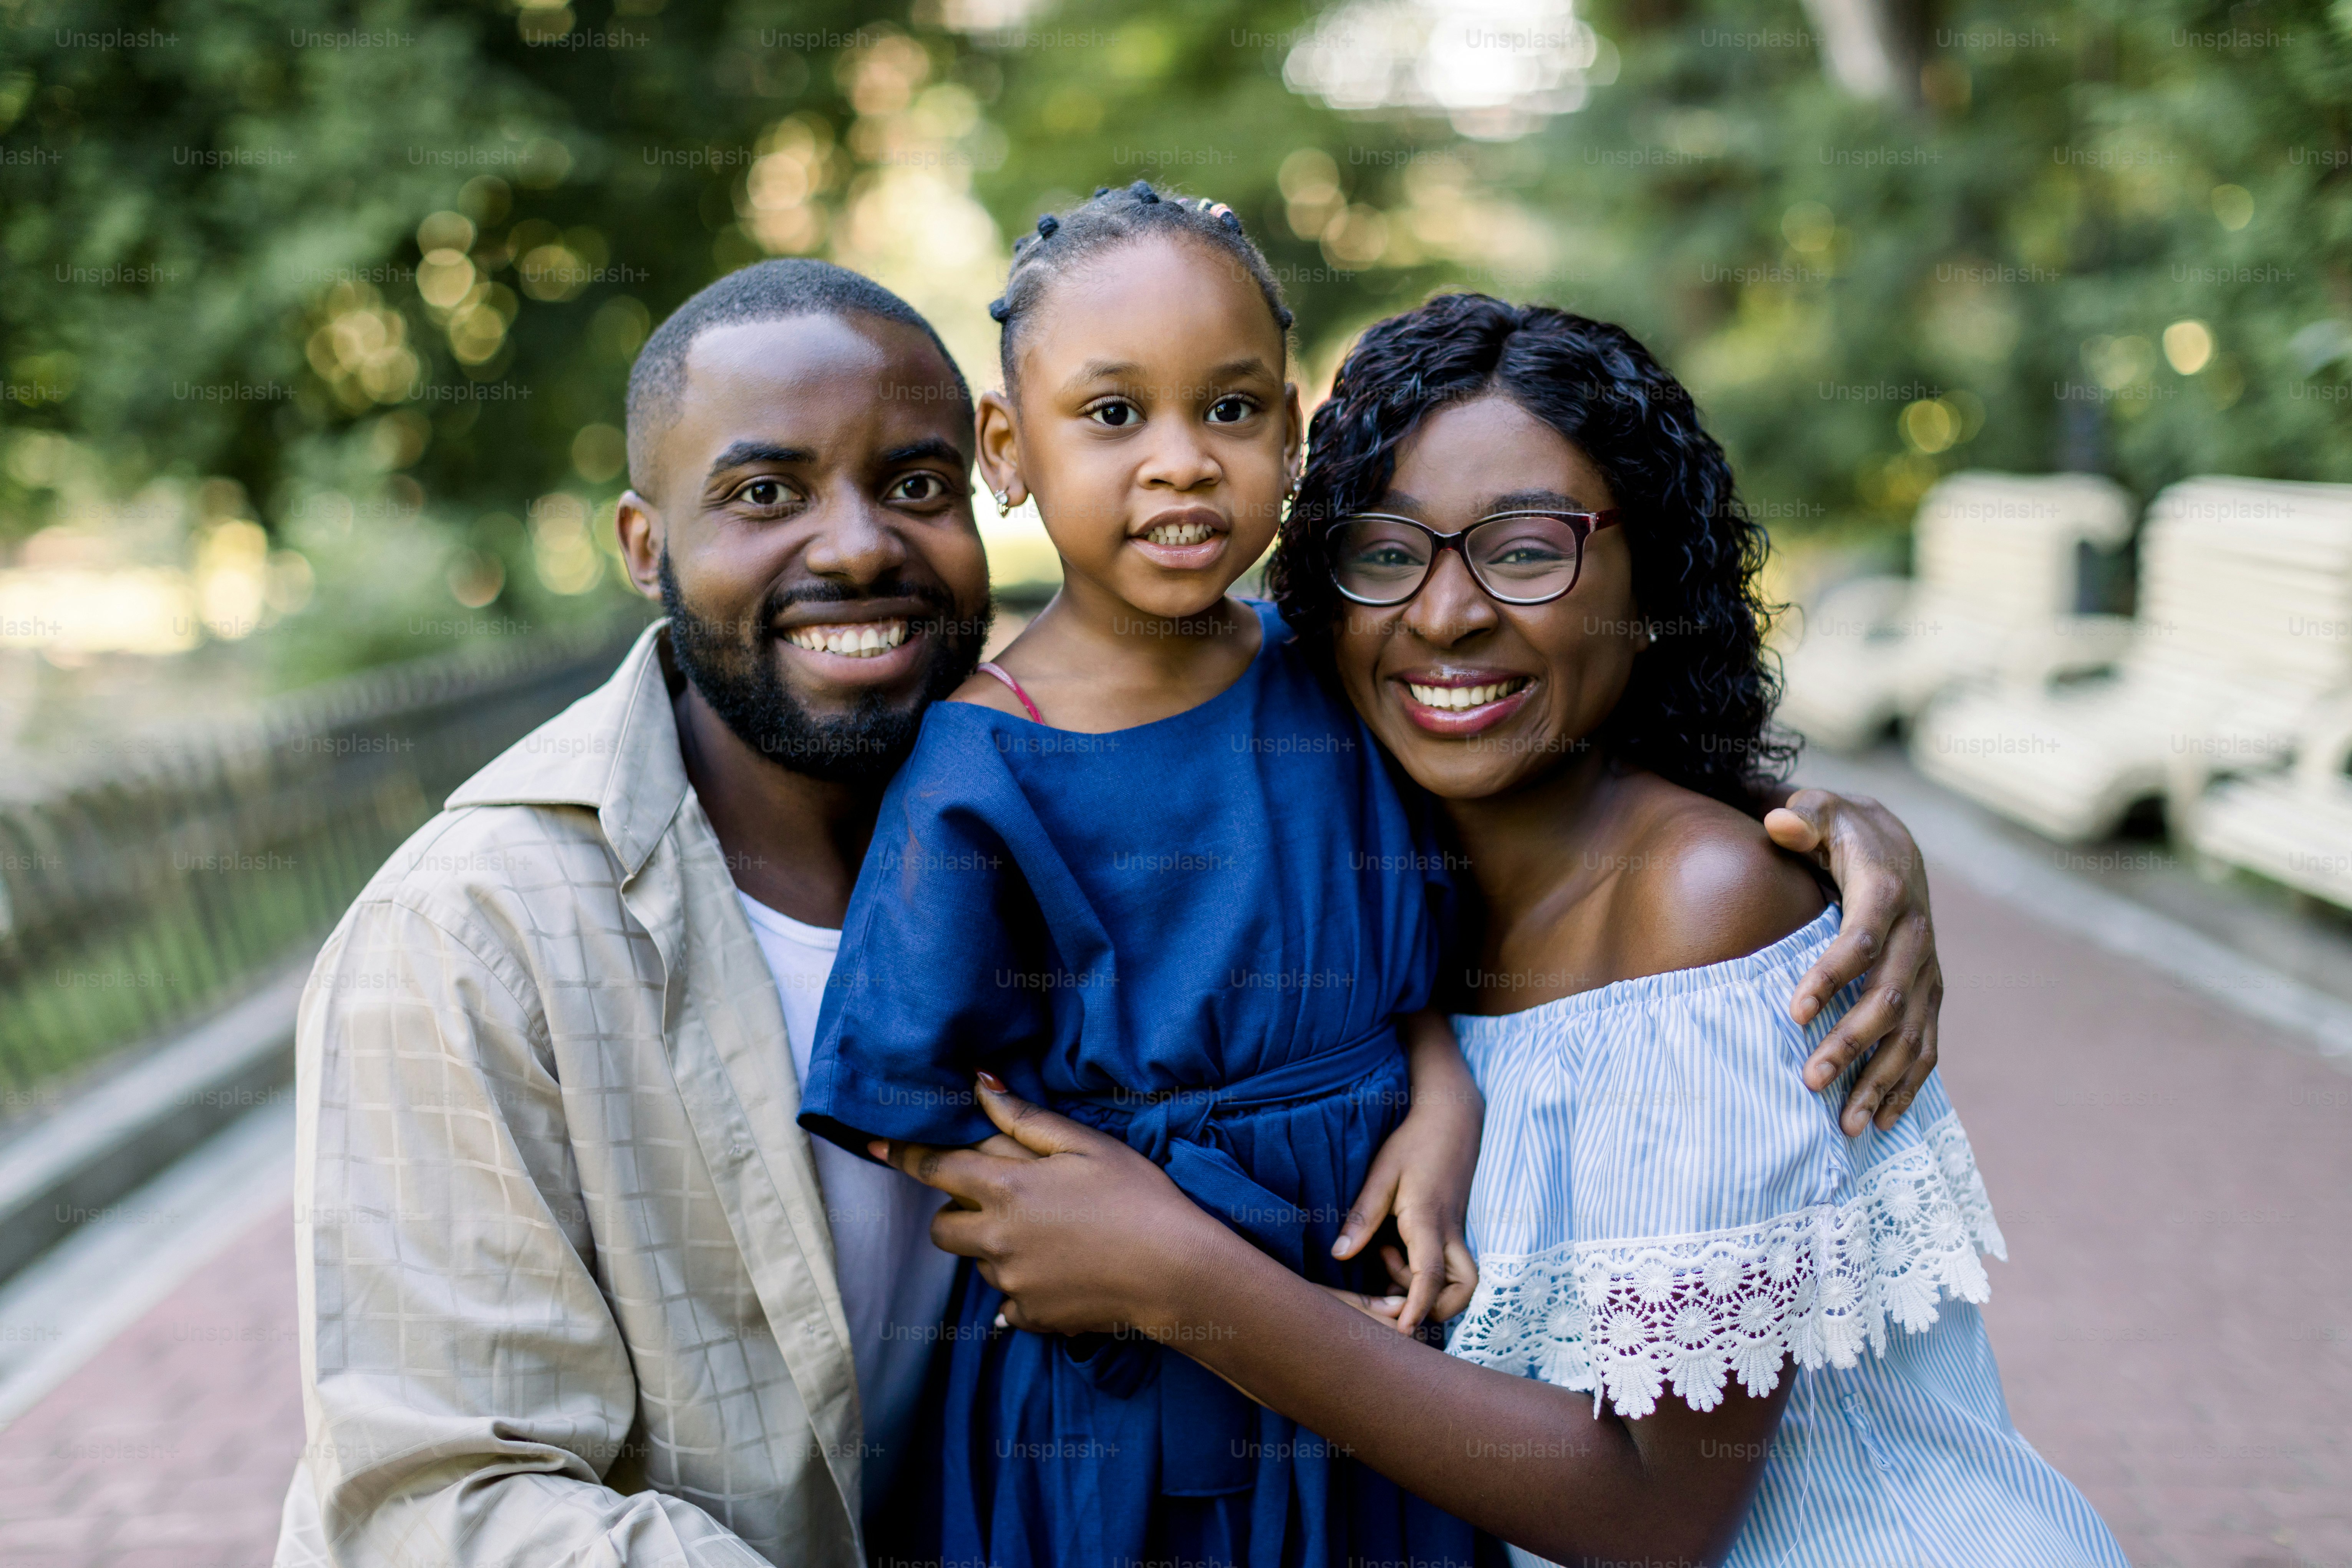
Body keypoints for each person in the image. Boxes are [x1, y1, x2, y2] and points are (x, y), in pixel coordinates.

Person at [277, 255, 1947, 1568]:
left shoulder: (1167, 756)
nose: (857, 550)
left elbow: (1498, 860)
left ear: (981, 488)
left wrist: (1815, 844)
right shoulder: (476, 940)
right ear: (646, 540)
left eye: (913, 484)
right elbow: (445, 1505)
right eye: (765, 494)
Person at [872, 296, 2130, 1568]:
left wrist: (1183, 1283)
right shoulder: (1377, 889)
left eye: (1526, 551)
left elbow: (1653, 1517)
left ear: (1653, 570)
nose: (1446, 613)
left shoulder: (1699, 905)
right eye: (1385, 552)